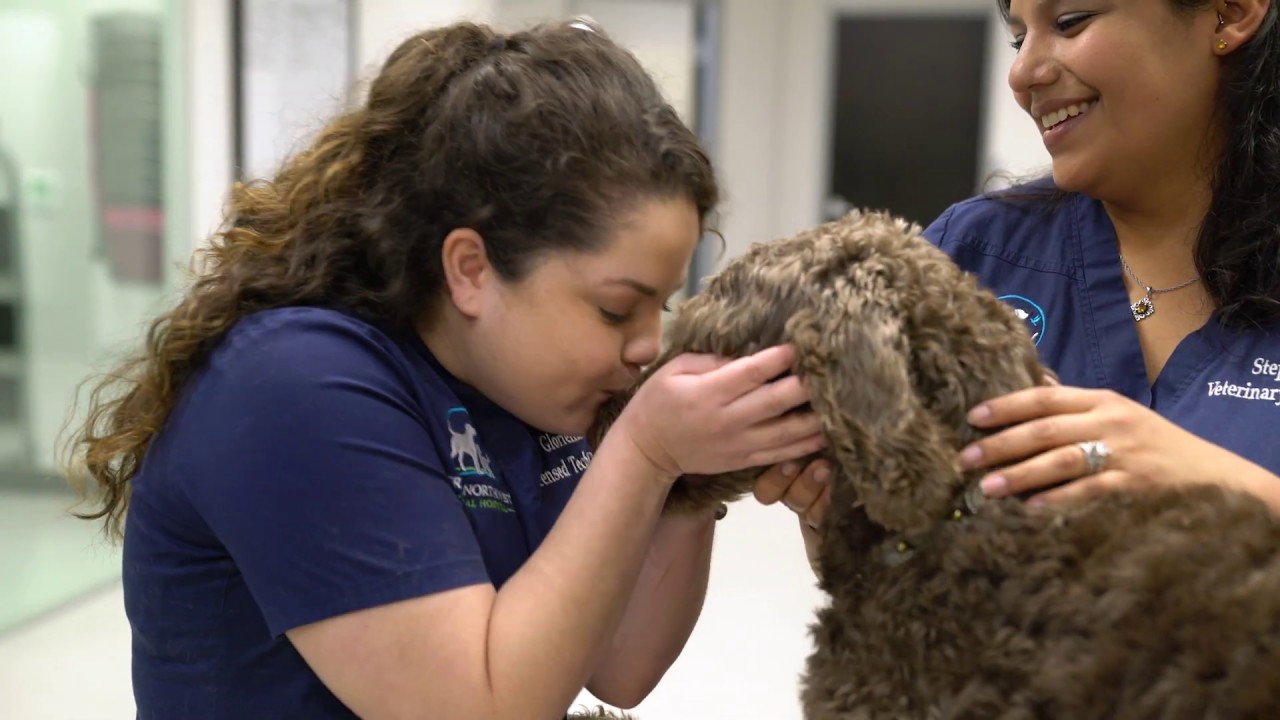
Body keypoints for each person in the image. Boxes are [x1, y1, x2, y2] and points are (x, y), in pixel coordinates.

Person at [60, 19, 831, 720]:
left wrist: (690, 476)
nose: (646, 345)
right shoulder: (292, 385)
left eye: (661, 304)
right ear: (470, 269)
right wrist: (647, 452)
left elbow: (622, 668)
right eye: (614, 309)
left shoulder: (529, 388)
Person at [919, 0, 1280, 512]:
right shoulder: (971, 254)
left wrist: (1241, 496)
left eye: (1070, 22)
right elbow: (881, 561)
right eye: (1020, 40)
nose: (1022, 74)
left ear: (1228, 13)